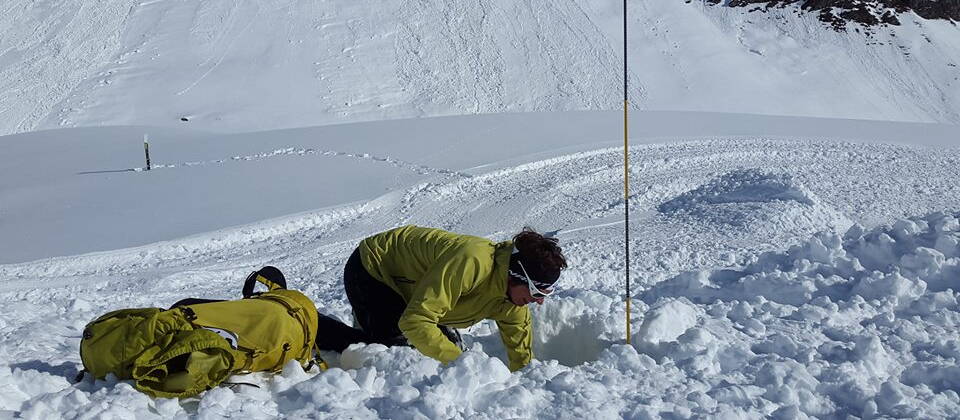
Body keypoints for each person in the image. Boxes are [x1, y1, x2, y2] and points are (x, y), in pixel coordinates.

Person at [315, 225, 567, 371]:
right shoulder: (472, 263)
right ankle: (314, 325)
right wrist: (463, 366)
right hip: (374, 269)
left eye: (545, 294)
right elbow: (415, 321)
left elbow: (520, 352)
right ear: (516, 276)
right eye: (537, 292)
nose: (539, 301)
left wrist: (524, 381)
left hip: (419, 289)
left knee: (443, 348)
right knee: (391, 353)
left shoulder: (513, 301)